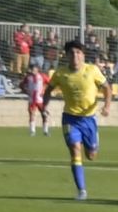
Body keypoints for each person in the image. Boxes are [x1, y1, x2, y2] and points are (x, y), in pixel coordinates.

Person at [43, 41, 112, 200]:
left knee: (92, 155)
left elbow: (107, 88)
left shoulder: (92, 70)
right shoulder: (60, 74)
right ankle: (81, 191)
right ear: (66, 55)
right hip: (70, 118)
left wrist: (107, 106)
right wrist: (44, 106)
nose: (75, 55)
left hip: (89, 119)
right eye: (72, 53)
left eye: (78, 52)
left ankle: (94, 141)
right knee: (75, 149)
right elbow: (48, 90)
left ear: (83, 55)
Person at [21, 64, 50, 136]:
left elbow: (50, 83)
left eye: (34, 69)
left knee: (44, 115)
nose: (32, 71)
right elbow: (21, 85)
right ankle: (32, 131)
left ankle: (45, 131)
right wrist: (26, 91)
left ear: (37, 69)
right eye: (32, 69)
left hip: (40, 100)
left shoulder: (42, 76)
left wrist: (45, 90)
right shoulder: (28, 77)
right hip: (32, 99)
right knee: (32, 115)